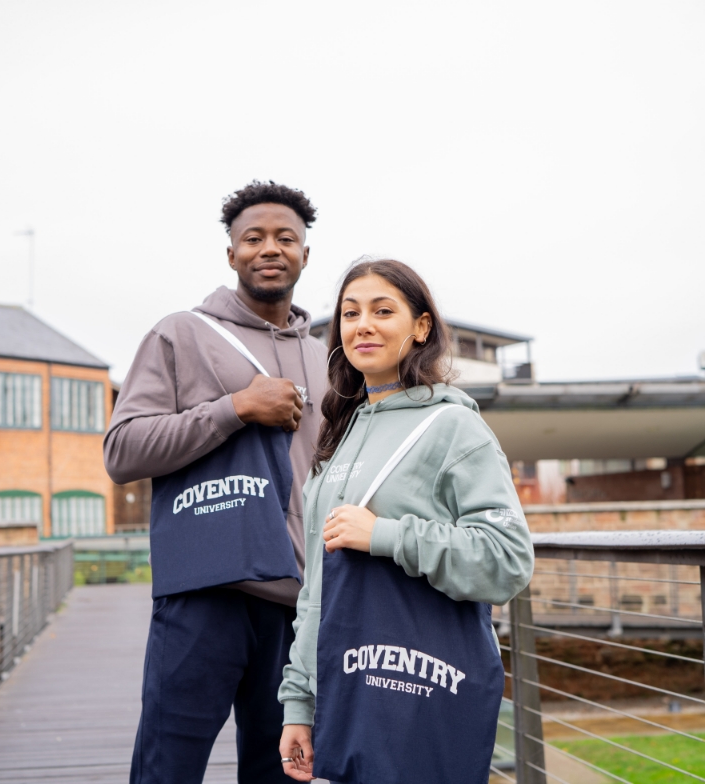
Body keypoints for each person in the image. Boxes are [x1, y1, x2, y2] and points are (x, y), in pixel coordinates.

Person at [278, 259, 535, 784]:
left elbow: (507, 559)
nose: (362, 325)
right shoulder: (338, 434)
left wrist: (385, 535)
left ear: (421, 327)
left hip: (416, 690)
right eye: (350, 313)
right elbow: (316, 589)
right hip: (345, 694)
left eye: (382, 311)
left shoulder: (454, 426)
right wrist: (299, 703)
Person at [104, 181, 327, 784]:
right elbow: (121, 452)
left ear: (306, 254)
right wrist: (235, 409)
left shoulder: (326, 359)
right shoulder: (181, 334)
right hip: (207, 591)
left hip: (299, 604)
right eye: (253, 238)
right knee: (168, 769)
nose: (270, 248)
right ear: (231, 254)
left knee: (283, 773)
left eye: (286, 238)